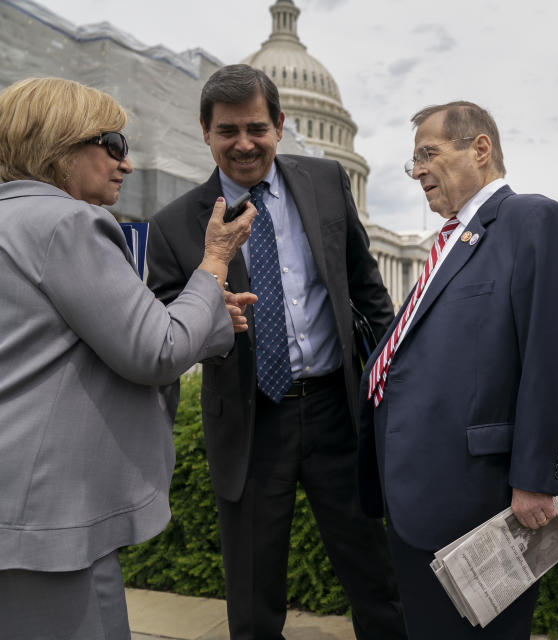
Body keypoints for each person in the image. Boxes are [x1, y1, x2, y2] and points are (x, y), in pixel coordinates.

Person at [146, 64, 404, 640]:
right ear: (206, 133)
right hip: (250, 420)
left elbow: (368, 291)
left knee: (376, 576)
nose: (243, 144)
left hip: (337, 410)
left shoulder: (325, 182)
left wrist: (393, 382)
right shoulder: (173, 226)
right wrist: (210, 318)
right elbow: (162, 328)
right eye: (228, 131)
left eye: (256, 128)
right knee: (254, 596)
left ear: (280, 125)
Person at [0, 77, 253, 639]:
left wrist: (204, 312)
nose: (128, 163)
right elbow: (156, 350)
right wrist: (213, 265)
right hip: (51, 521)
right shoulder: (70, 222)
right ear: (61, 145)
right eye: (113, 143)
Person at [356, 100, 558, 639]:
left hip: (481, 502)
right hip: (418, 496)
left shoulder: (532, 219)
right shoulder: (448, 242)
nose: (418, 169)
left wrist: (537, 480)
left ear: (480, 148)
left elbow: (554, 354)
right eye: (412, 160)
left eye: (428, 153)